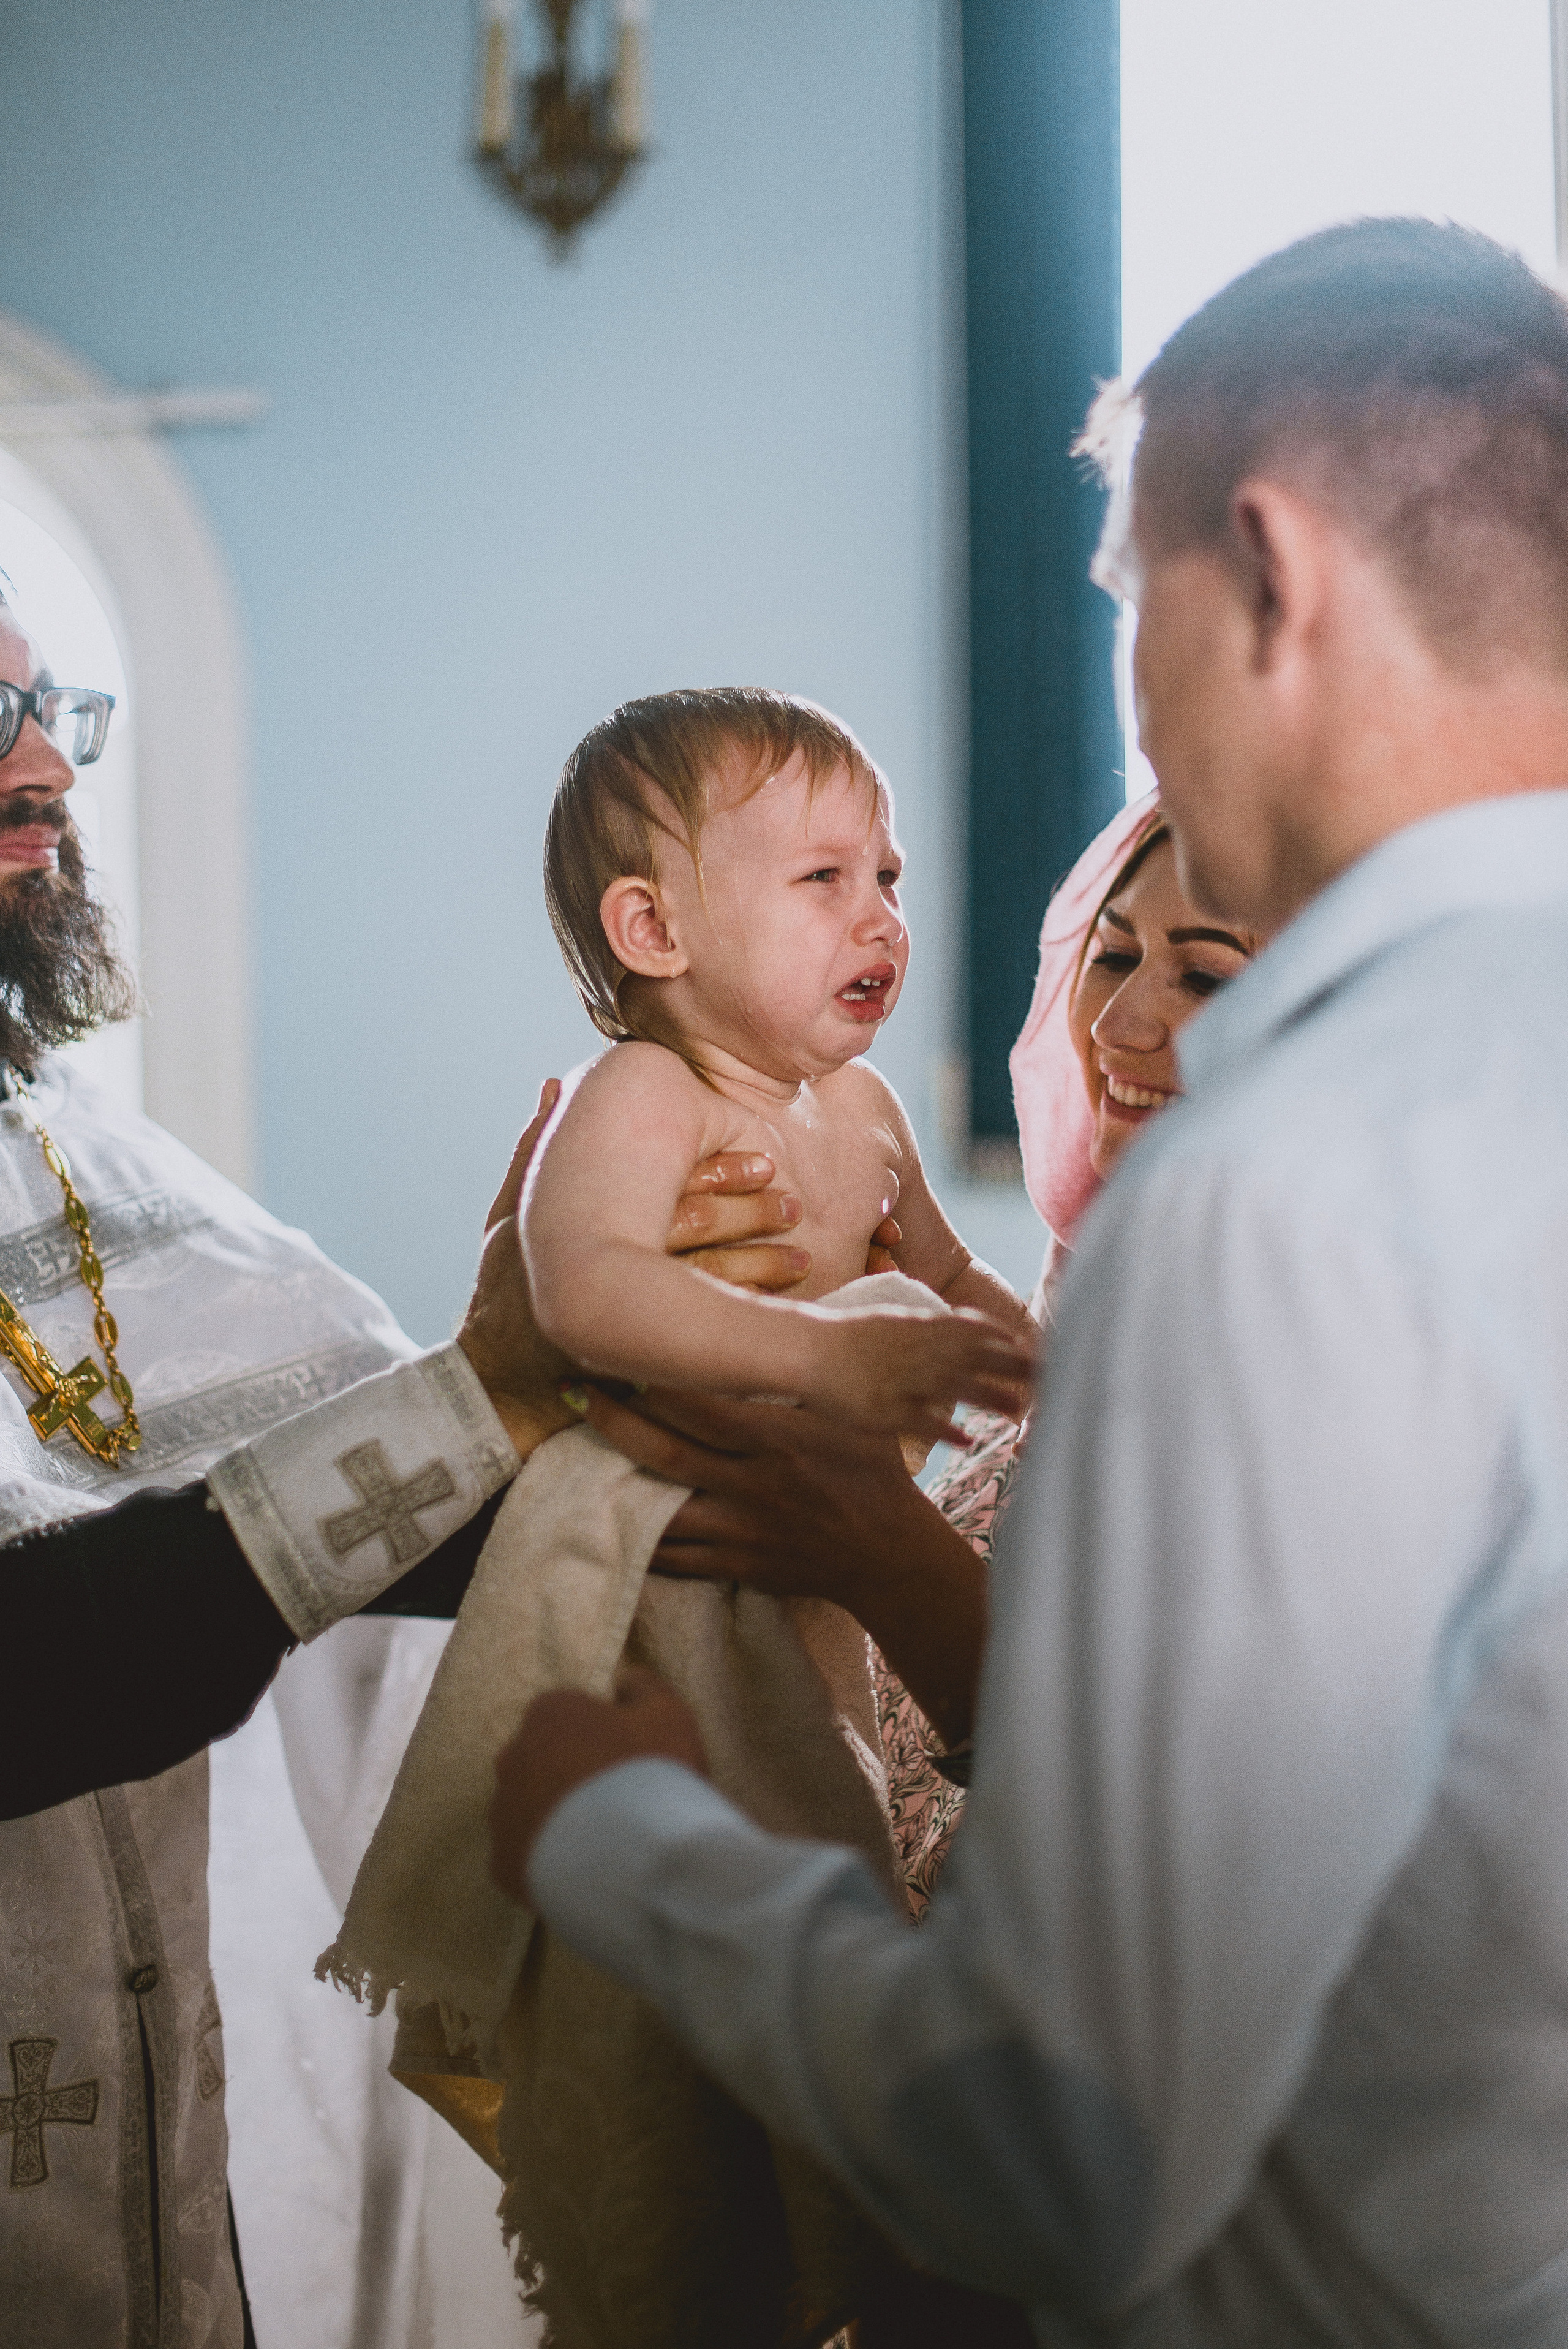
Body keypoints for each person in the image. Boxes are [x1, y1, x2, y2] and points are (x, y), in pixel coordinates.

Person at [490, 216, 1568, 2343]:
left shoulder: (1286, 1188)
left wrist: (630, 1841)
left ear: (1267, 573)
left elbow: (1066, 2149)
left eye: (1123, 610)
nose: (1139, 710)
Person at [0, 592, 815, 2345]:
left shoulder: (83, 1152)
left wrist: (647, 1396)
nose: (47, 767)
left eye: (48, 703)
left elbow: (372, 1534)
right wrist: (489, 1393)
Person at [881, 800, 1256, 1910]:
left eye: (1207, 977)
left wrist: (871, 1543)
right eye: (1115, 954)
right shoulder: (1087, 1306)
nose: (1116, 1026)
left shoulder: (1325, 1384)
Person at [527, 687, 1035, 1437]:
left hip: (825, 1512)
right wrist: (817, 1355)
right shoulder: (646, 1091)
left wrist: (1053, 1376)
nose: (884, 922)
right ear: (655, 929)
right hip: (661, 1508)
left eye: (887, 878)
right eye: (824, 877)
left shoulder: (866, 1106)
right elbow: (582, 1287)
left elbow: (950, 1277)